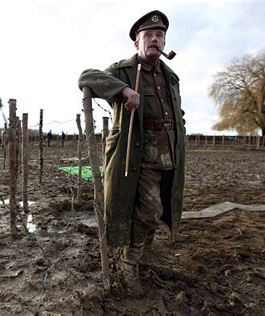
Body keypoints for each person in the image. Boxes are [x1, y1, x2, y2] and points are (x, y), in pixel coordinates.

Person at [78, 10, 186, 293]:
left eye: (159, 35)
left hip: (169, 156)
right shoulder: (124, 70)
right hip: (138, 155)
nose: (154, 40)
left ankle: (141, 252)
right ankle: (128, 266)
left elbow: (177, 113)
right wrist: (123, 90)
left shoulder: (170, 76)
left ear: (165, 42)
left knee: (157, 210)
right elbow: (86, 76)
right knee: (149, 211)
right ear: (136, 43)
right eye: (148, 36)